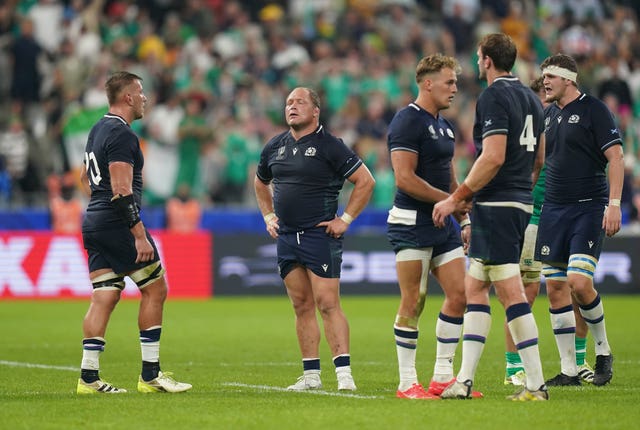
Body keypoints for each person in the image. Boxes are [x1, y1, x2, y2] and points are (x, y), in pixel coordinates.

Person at [432, 33, 548, 401]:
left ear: (485, 60)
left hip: (498, 205)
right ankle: (464, 381)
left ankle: (536, 385)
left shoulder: (494, 96)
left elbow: (493, 155)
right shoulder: (532, 98)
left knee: (510, 292)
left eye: (478, 57)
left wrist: (459, 197)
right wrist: (518, 192)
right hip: (515, 201)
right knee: (475, 288)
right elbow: (539, 160)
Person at [77, 71, 192, 394]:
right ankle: (150, 375)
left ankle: (88, 378)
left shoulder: (97, 129)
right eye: (140, 92)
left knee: (105, 294)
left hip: (94, 220)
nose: (144, 98)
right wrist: (138, 234)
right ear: (127, 97)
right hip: (117, 222)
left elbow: (87, 179)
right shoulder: (123, 134)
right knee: (156, 289)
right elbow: (122, 189)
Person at [254, 87, 375, 391]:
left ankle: (344, 374)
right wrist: (269, 217)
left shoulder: (330, 145)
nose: (292, 107)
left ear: (316, 110)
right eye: (288, 103)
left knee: (327, 303)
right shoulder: (275, 146)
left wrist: (345, 219)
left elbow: (365, 181)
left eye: (299, 102)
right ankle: (311, 377)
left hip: (318, 235)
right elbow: (259, 182)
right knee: (301, 305)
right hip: (286, 237)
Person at [386, 53, 481, 400]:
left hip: (444, 225)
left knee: (460, 294)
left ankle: (443, 377)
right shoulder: (406, 121)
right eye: (449, 82)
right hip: (411, 222)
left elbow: (450, 173)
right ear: (428, 83)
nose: (455, 88)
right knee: (415, 299)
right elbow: (404, 178)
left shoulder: (444, 125)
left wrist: (463, 216)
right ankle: (407, 382)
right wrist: (450, 200)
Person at [535, 53, 621, 387]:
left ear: (568, 79)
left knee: (579, 282)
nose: (545, 82)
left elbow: (615, 157)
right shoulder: (548, 115)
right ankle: (569, 369)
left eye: (550, 77)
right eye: (543, 77)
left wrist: (613, 204)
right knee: (556, 287)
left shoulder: (594, 110)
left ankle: (602, 350)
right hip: (553, 209)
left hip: (588, 206)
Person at [504, 77, 595, 386]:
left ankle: (578, 362)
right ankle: (513, 366)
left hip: (568, 214)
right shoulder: (525, 129)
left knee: (576, 287)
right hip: (533, 216)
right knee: (524, 292)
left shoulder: (569, 122)